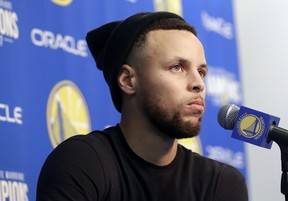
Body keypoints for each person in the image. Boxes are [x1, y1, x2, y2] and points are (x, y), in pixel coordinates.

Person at [36, 11, 248, 201]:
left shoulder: (219, 183)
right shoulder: (82, 162)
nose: (199, 84)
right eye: (177, 67)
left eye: (201, 72)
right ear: (128, 80)